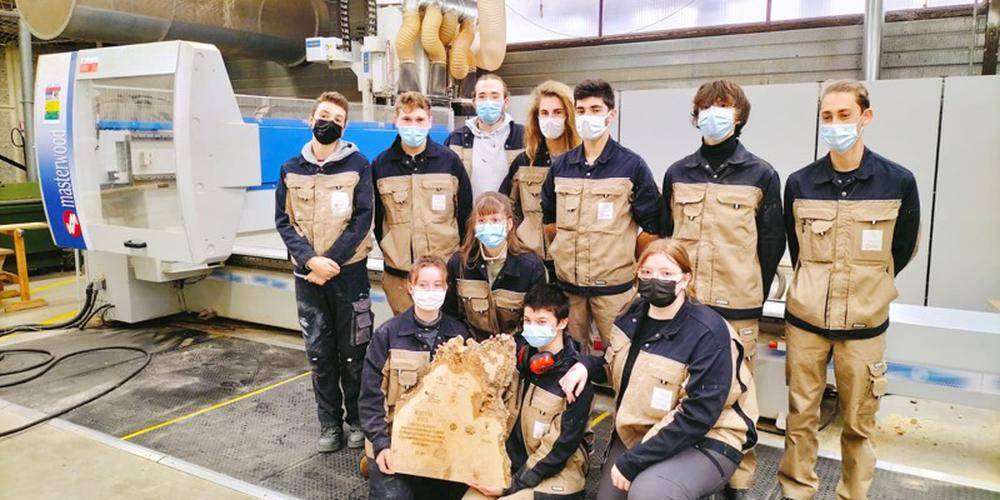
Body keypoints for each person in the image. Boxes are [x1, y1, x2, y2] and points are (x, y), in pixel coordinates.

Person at [778, 80, 920, 500]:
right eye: (827, 116)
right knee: (801, 414)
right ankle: (797, 490)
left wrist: (868, 288)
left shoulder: (898, 182)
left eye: (844, 115)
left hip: (864, 325)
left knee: (859, 421)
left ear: (865, 117)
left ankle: (853, 494)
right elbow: (797, 248)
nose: (835, 124)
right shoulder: (800, 183)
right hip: (806, 321)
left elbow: (902, 248)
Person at [659, 79, 785, 498]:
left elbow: (772, 242)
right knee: (681, 388)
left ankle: (739, 477)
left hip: (738, 306)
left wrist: (750, 287)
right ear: (695, 116)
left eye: (723, 106)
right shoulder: (678, 173)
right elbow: (667, 236)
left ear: (739, 115)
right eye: (706, 107)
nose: (714, 114)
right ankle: (682, 466)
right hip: (687, 305)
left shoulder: (761, 174)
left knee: (738, 392)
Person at [560, 239, 758, 500]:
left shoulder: (709, 332)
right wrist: (584, 366)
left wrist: (634, 462)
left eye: (666, 273)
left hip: (705, 436)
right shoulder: (632, 315)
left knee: (649, 493)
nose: (655, 280)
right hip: (643, 431)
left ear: (685, 279)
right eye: (647, 272)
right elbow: (615, 366)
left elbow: (698, 415)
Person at [274, 91, 373, 452]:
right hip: (308, 277)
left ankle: (357, 422)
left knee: (354, 352)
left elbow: (362, 219)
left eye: (338, 120)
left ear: (345, 128)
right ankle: (330, 424)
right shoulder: (291, 169)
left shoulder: (358, 165)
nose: (329, 123)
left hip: (349, 275)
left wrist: (329, 262)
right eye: (324, 116)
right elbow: (284, 221)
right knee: (320, 354)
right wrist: (309, 261)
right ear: (311, 119)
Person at [540, 79, 661, 353]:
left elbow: (653, 227)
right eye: (581, 110)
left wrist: (623, 257)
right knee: (568, 357)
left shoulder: (632, 166)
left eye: (595, 109)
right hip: (569, 290)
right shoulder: (562, 167)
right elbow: (549, 222)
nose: (587, 117)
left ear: (611, 115)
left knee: (620, 355)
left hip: (615, 292)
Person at [359, 255, 472, 500]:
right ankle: (373, 463)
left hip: (439, 440)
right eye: (423, 285)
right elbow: (370, 398)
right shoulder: (388, 335)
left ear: (446, 288)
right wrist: (381, 445)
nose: (430, 292)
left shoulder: (459, 335)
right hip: (393, 439)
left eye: (437, 285)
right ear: (410, 287)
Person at [467, 283, 593, 499]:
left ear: (563, 322)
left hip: (555, 472)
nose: (533, 327)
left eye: (542, 322)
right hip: (510, 464)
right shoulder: (516, 359)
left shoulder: (574, 379)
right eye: (528, 320)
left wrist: (511, 487)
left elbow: (560, 448)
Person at [373, 91, 473, 315]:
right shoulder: (381, 165)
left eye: (419, 119)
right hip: (400, 277)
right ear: (396, 120)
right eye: (406, 119)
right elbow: (378, 221)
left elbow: (466, 215)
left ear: (429, 121)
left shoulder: (449, 162)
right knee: (406, 333)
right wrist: (394, 251)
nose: (413, 126)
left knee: (447, 332)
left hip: (444, 275)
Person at [500, 80, 581, 277]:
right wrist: (518, 242)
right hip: (531, 261)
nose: (550, 119)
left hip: (573, 261)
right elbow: (506, 206)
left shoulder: (583, 161)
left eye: (557, 112)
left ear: (569, 115)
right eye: (544, 113)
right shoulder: (525, 162)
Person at [444, 191, 547, 341]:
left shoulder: (530, 266)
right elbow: (450, 313)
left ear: (509, 224)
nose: (488, 226)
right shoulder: (459, 263)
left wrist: (513, 344)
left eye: (495, 220)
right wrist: (467, 342)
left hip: (515, 346)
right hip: (472, 345)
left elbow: (539, 317)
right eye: (481, 221)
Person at [446, 74, 525, 198]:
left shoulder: (524, 137)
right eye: (482, 96)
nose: (488, 102)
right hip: (470, 210)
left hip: (509, 210)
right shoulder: (456, 140)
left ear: (506, 102)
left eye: (495, 96)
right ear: (474, 102)